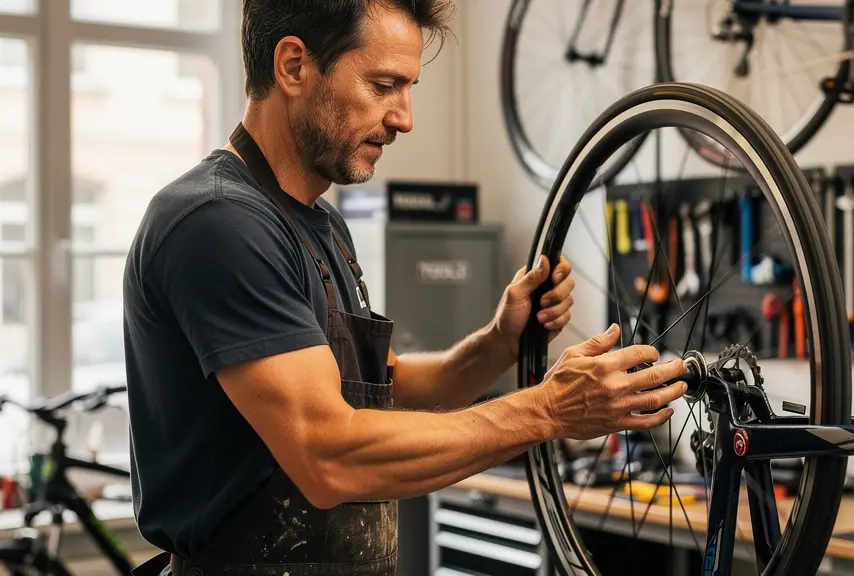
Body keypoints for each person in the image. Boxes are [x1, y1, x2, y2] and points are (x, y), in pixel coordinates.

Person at [123, 1, 690, 575]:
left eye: (409, 87)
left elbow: (387, 390)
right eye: (384, 85)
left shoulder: (320, 226)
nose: (404, 118)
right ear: (293, 66)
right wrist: (549, 408)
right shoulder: (218, 222)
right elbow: (327, 455)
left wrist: (497, 340)